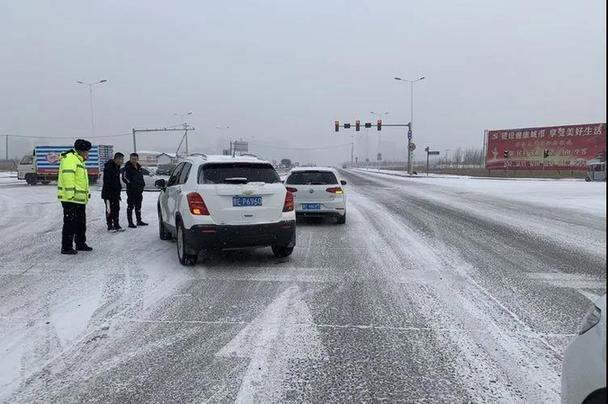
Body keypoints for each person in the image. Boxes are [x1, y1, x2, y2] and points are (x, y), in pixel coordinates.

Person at [57, 139, 93, 254]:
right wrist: (70, 195)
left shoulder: (79, 160)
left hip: (79, 199)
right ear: (81, 151)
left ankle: (80, 243)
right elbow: (68, 177)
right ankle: (66, 247)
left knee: (80, 223)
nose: (88, 153)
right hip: (71, 199)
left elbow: (80, 180)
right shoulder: (70, 159)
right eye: (87, 151)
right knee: (70, 223)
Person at [122, 152, 148, 228]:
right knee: (130, 206)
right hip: (131, 191)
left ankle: (139, 220)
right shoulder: (127, 167)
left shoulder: (139, 167)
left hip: (139, 191)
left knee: (138, 206)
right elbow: (124, 178)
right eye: (132, 159)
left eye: (135, 159)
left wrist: (142, 185)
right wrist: (131, 184)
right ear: (130, 159)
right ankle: (130, 222)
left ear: (137, 159)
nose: (134, 160)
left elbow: (141, 177)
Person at [101, 152, 125, 232]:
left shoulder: (117, 167)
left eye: (122, 160)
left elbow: (117, 180)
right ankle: (110, 226)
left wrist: (118, 190)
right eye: (121, 159)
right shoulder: (109, 167)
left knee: (116, 209)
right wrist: (110, 192)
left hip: (116, 193)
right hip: (108, 193)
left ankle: (117, 225)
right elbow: (107, 181)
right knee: (109, 210)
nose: (122, 161)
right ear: (116, 159)